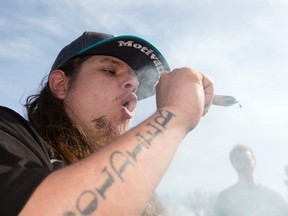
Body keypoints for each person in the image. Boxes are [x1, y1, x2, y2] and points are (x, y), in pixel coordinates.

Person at [0, 31, 214, 216]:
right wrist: (174, 116)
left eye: (135, 88)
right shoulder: (9, 132)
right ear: (60, 84)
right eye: (110, 71)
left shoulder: (146, 200)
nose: (132, 87)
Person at [213, 144, 288, 216]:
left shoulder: (272, 197)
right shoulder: (226, 198)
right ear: (233, 164)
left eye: (247, 159)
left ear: (254, 162)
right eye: (239, 160)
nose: (244, 163)